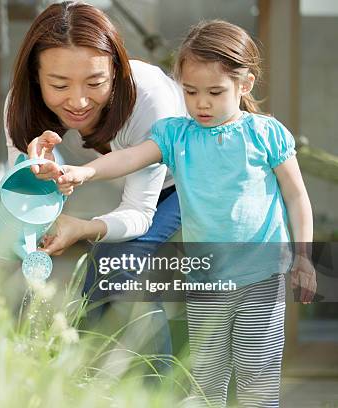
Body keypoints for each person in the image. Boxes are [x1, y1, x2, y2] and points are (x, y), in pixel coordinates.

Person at [45, 19, 317, 407]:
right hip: (206, 280)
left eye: (215, 92)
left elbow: (297, 196)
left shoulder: (265, 133)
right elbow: (129, 158)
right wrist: (84, 171)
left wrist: (304, 255)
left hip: (262, 277)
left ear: (245, 85)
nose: (201, 103)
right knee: (206, 383)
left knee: (257, 383)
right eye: (190, 91)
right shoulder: (176, 134)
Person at [4, 1, 186, 373]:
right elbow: (17, 204)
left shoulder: (151, 100)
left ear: (116, 72)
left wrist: (83, 228)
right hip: (129, 189)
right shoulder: (20, 109)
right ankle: (82, 385)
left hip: (187, 181)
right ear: (35, 78)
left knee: (116, 265)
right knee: (92, 288)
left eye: (95, 82)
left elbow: (138, 212)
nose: (78, 101)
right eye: (58, 85)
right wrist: (30, 171)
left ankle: (164, 393)